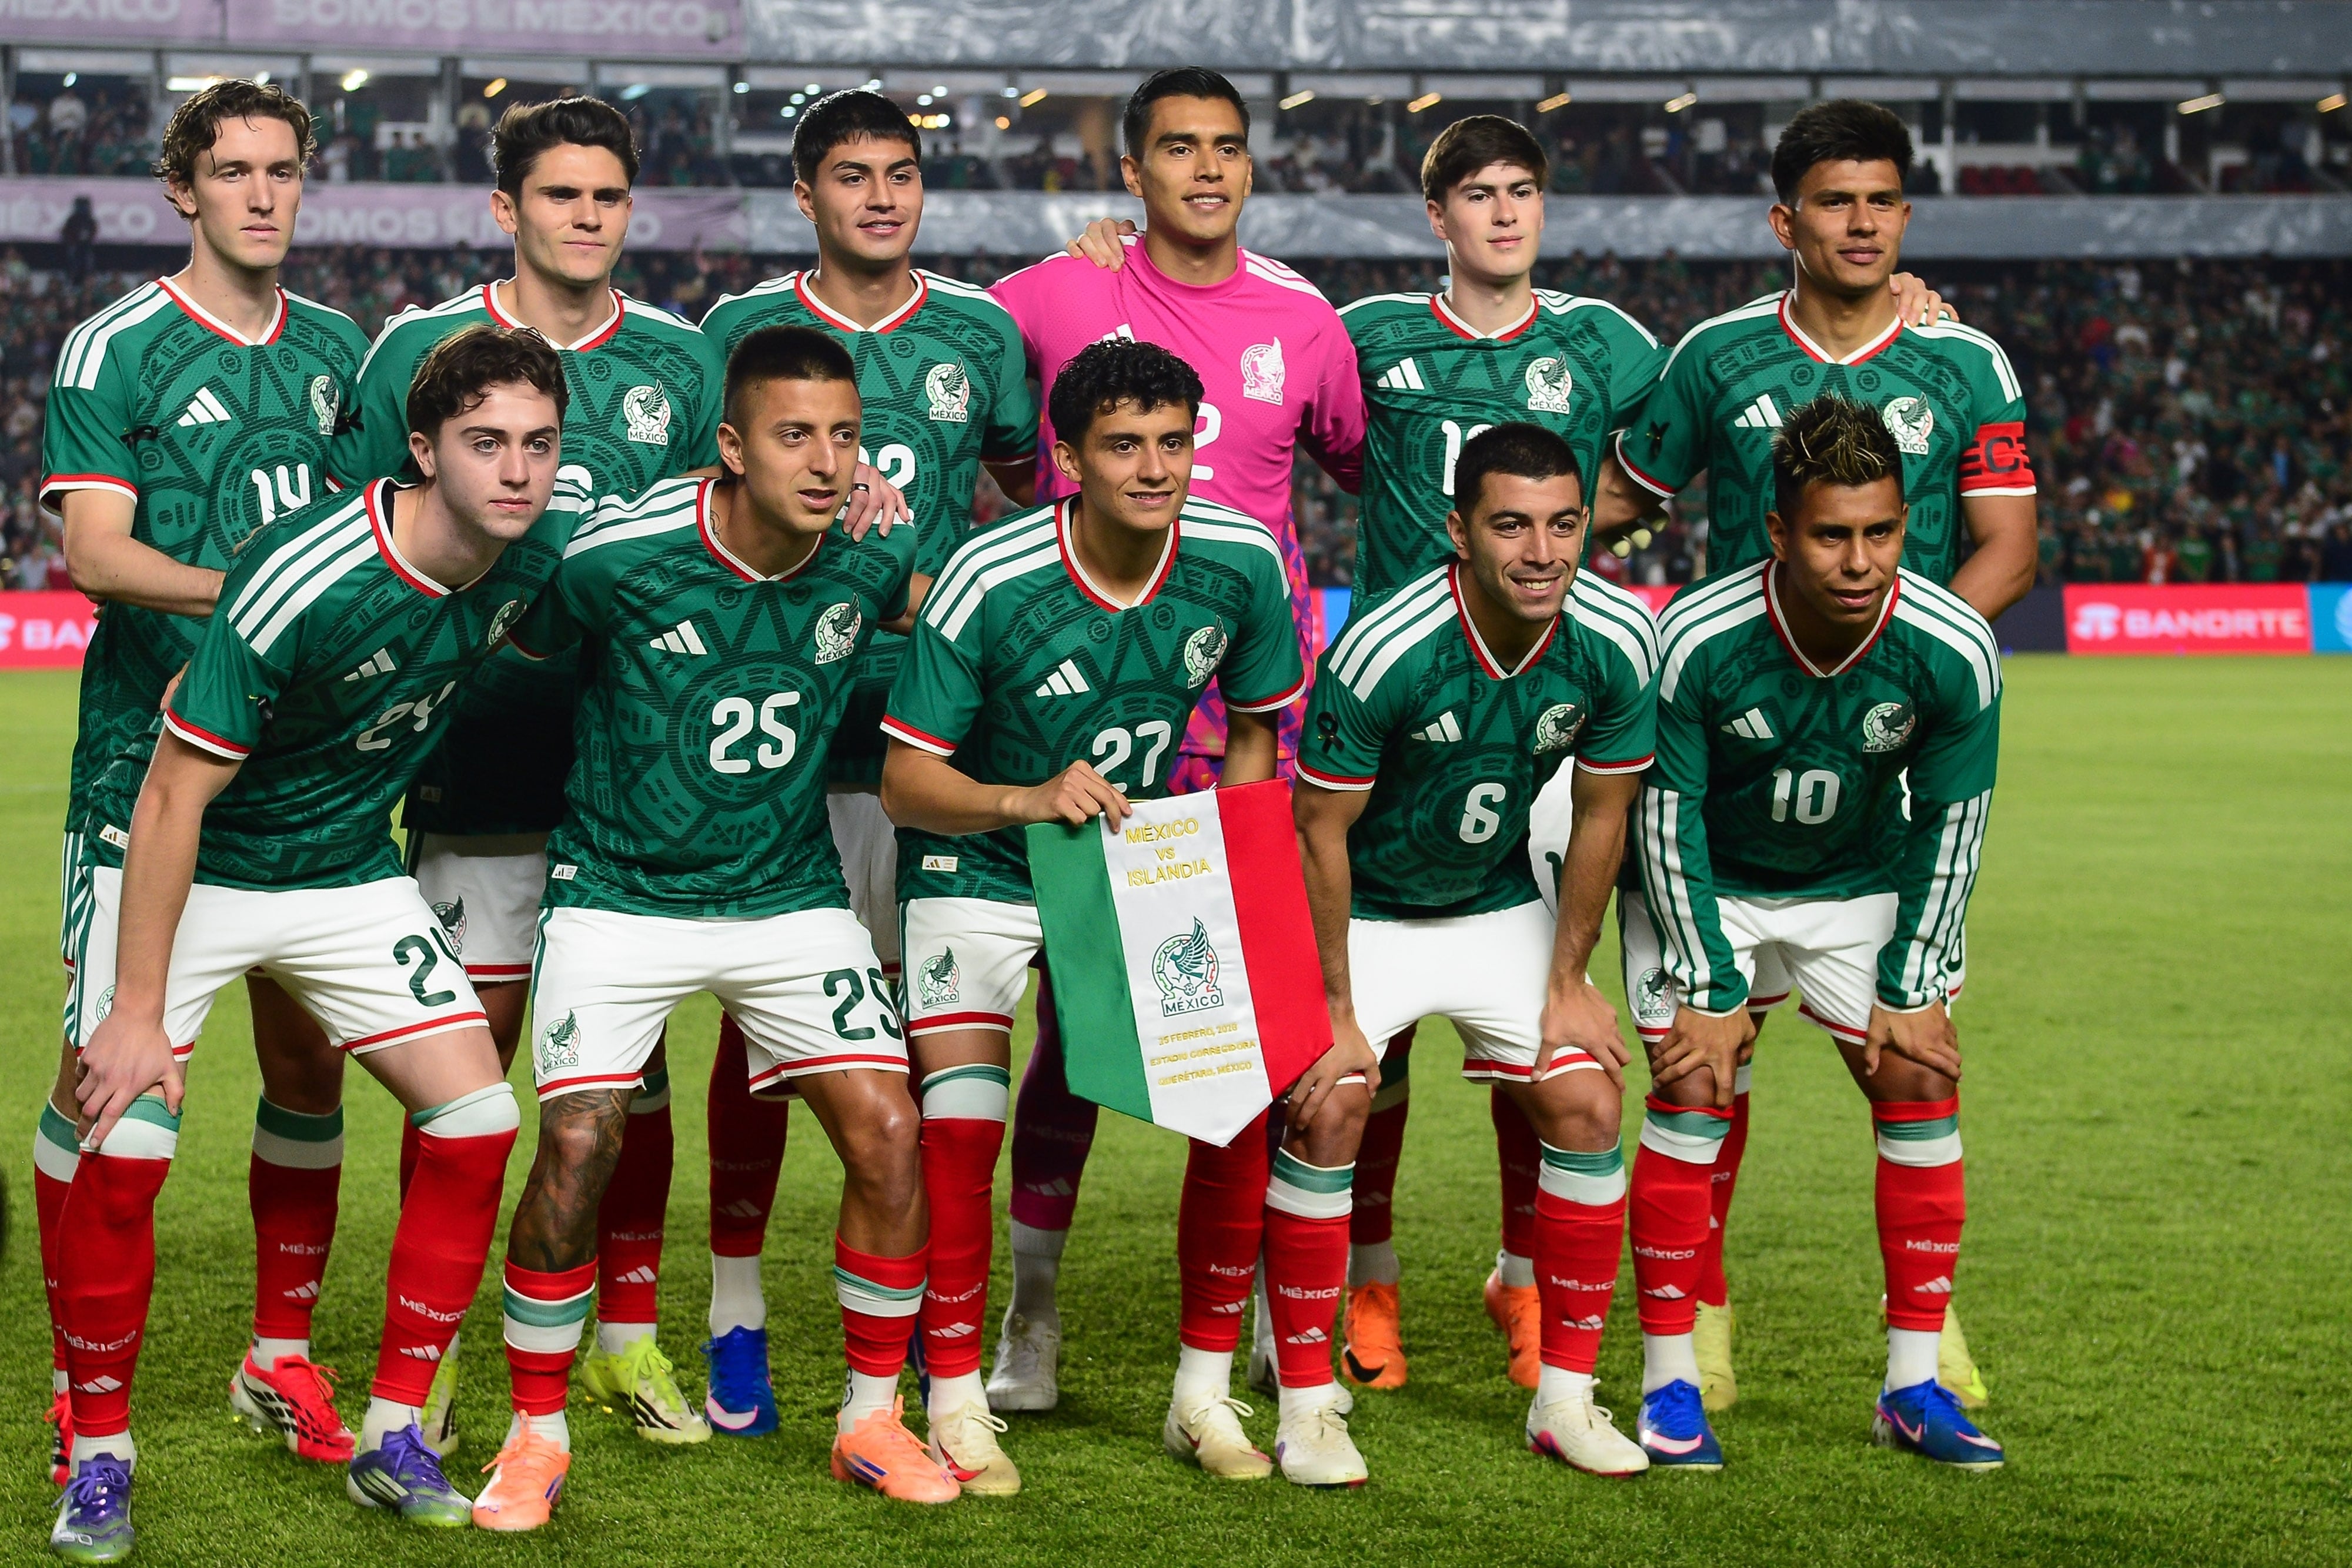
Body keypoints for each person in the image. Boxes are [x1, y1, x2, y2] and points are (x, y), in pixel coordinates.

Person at [53, 325, 580, 1560]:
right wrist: (136, 1009)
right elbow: (175, 792)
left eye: (539, 445)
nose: (515, 470)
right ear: (422, 447)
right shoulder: (308, 569)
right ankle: (98, 1453)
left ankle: (396, 1432)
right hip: (198, 858)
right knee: (122, 1140)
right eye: (484, 442)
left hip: (342, 866)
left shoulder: (536, 551)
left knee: (476, 1116)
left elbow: (684, 529)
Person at [1591, 99, 2033, 1412]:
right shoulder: (1716, 355)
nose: (1859, 223)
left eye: (1880, 202)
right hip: (1715, 750)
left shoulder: (1969, 363)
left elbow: (2003, 545)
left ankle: (1923, 1331)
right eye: (1833, 202)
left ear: (1903, 215)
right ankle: (1699, 1314)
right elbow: (1619, 500)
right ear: (1783, 219)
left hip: (1879, 741)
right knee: (1704, 1060)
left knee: (1899, 1050)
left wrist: (1886, 659)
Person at [326, 95, 753, 1453]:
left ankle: (623, 1334)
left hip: (633, 776)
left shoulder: (684, 363)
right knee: (469, 1076)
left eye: (609, 197)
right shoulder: (417, 352)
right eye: (560, 195)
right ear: (503, 209)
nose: (587, 218)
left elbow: (713, 541)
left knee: (630, 1081)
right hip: (474, 769)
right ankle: (433, 1353)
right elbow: (366, 539)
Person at [473, 326, 947, 1527]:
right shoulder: (618, 553)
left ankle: (869, 1417)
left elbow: (943, 616)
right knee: (578, 1144)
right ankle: (534, 1431)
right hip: (618, 892)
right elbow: (516, 649)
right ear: (730, 445)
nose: (828, 460)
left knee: (891, 1130)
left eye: (846, 435)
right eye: (796, 434)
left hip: (786, 892)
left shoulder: (866, 556)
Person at [980, 65, 1365, 1412]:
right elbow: (935, 380)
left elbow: (1391, 465)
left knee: (1266, 1031)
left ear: (1250, 168)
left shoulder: (1304, 320)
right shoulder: (1050, 294)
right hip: (1082, 727)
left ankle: (1263, 1308)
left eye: (1227, 149)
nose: (1205, 171)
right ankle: (1031, 1312)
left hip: (1248, 731)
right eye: (1175, 151)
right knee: (1071, 1035)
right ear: (1130, 174)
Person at [878, 338, 1306, 1491]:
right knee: (961, 1127)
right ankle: (959, 1400)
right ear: (1066, 455)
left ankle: (1199, 1397)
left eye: (1173, 441)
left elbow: (1259, 729)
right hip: (975, 866)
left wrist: (1228, 847)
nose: (1154, 466)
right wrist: (1028, 795)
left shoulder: (1238, 559)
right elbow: (906, 781)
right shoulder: (989, 574)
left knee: (1233, 1111)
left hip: (1135, 862)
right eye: (1124, 444)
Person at [34, 78, 370, 1497]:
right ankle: (76, 1382)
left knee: (307, 1064)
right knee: (116, 1082)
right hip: (143, 773)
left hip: (302, 787)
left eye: (282, 171)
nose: (259, 194)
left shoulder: (344, 349)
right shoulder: (113, 345)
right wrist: (268, 593)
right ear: (182, 189)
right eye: (231, 171)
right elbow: (95, 558)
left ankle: (276, 1350)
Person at [692, 88, 1038, 1436]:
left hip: (933, 739)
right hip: (780, 730)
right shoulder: (736, 332)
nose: (881, 197)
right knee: (759, 1031)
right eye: (851, 175)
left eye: (900, 173)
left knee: (912, 1047)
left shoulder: (981, 333)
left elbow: (1029, 497)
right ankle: (735, 1313)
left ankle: (913, 1345)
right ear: (805, 194)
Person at [1623, 394, 2004, 1473]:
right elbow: (1666, 818)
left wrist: (1914, 980)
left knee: (1921, 1077)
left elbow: (1953, 825)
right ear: (1779, 532)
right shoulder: (1694, 640)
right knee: (1695, 1085)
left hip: (1857, 878)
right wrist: (1705, 984)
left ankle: (1913, 1385)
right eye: (1831, 535)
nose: (1859, 560)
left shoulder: (1952, 647)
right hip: (1712, 885)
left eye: (1880, 532)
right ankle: (1670, 1387)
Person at [1293, 422, 1660, 1477]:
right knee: (1333, 1102)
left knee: (1589, 1096)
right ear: (1457, 531)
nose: (1542, 552)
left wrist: (1569, 980)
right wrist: (1333, 1004)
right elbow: (1320, 832)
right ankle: (1309, 1405)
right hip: (1371, 912)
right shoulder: (1387, 648)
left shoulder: (1614, 641)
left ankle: (1567, 1401)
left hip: (1495, 902)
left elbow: (1601, 816)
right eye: (1511, 525)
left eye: (1563, 524)